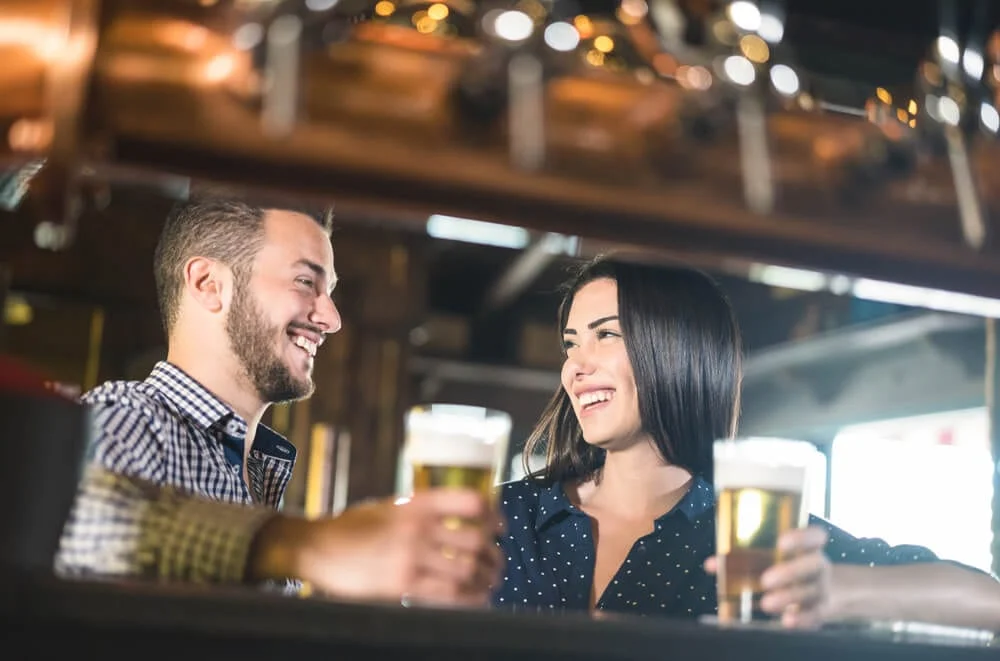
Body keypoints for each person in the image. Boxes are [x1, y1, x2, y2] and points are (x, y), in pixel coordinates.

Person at [493, 255, 1000, 628]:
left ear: (674, 352)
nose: (575, 367)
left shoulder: (755, 534)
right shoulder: (503, 517)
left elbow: (989, 603)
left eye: (606, 335)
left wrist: (839, 591)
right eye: (570, 343)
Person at [56, 196, 501, 605]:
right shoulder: (128, 416)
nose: (331, 318)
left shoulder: (255, 471)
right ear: (209, 284)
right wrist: (313, 545)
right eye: (306, 281)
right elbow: (63, 520)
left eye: (329, 292)